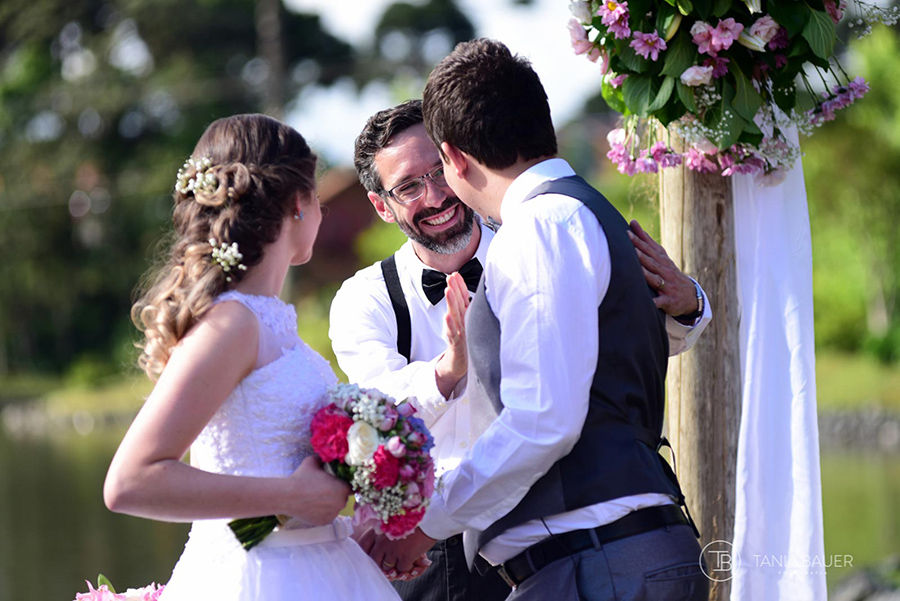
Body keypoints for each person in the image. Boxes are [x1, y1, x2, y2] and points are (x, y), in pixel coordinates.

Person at [332, 98, 711, 600]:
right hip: (433, 547)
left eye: (438, 171)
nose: (436, 194)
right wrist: (448, 369)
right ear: (382, 205)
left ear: (457, 159)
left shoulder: (540, 235)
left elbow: (620, 339)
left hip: (561, 523)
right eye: (408, 187)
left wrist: (689, 306)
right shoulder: (364, 299)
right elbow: (375, 416)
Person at [103, 114, 401, 600]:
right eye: (320, 199)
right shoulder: (231, 324)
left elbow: (255, 508)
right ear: (298, 204)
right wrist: (292, 496)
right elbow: (130, 481)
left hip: (314, 566)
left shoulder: (271, 324)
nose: (322, 212)